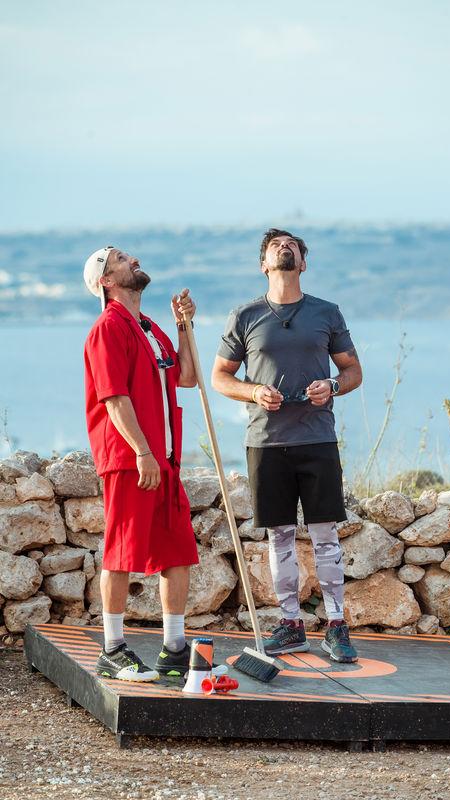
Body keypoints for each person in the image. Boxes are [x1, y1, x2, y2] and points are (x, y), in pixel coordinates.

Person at [212, 229, 363, 663]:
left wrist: (333, 386)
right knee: (278, 536)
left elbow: (353, 371)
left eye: (292, 245)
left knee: (325, 535)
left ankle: (336, 626)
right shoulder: (244, 316)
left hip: (317, 438)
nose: (285, 247)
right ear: (263, 264)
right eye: (276, 245)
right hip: (266, 442)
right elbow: (220, 377)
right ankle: (291, 625)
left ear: (303, 263)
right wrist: (254, 392)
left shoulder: (326, 312)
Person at [83, 245, 199, 681]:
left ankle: (174, 649)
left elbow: (186, 377)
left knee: (177, 551)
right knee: (121, 551)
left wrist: (184, 326)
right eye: (120, 259)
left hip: (163, 461)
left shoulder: (148, 328)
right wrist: (142, 452)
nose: (133, 260)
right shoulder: (107, 328)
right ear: (106, 281)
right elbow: (113, 398)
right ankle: (112, 649)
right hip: (131, 460)